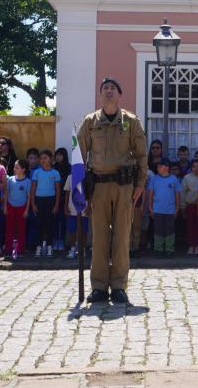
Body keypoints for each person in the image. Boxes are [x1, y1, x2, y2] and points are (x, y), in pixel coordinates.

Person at [77, 77, 148, 304]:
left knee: (121, 237)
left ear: (119, 95)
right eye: (105, 88)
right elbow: (79, 155)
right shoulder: (90, 122)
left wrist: (140, 184)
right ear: (100, 95)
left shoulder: (131, 121)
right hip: (97, 186)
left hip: (124, 186)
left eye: (113, 88)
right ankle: (99, 287)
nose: (109, 91)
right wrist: (78, 188)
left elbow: (141, 154)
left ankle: (119, 286)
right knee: (99, 236)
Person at [31, 150, 62, 257]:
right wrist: (33, 204)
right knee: (39, 224)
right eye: (41, 158)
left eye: (45, 158)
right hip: (39, 200)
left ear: (51, 159)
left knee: (50, 224)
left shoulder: (55, 173)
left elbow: (58, 190)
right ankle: (38, 247)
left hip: (51, 200)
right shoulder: (37, 172)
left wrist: (56, 205)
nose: (42, 160)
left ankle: (49, 247)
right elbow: (33, 189)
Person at [147, 158, 180, 255]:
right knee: (158, 230)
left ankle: (169, 248)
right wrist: (150, 207)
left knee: (170, 230)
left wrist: (177, 208)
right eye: (158, 166)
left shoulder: (174, 179)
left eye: (160, 166)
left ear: (166, 167)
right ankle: (158, 249)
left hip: (170, 210)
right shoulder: (154, 178)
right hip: (157, 210)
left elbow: (177, 194)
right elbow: (150, 194)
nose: (158, 168)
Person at [3, 159, 32, 257]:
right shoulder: (10, 180)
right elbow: (6, 193)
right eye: (14, 167)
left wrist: (27, 210)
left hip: (22, 207)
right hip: (10, 206)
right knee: (9, 228)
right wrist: (5, 207)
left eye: (17, 167)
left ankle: (20, 249)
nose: (14, 169)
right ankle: (8, 249)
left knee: (21, 229)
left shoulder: (28, 181)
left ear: (23, 169)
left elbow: (29, 197)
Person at [180, 159, 198, 255]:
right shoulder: (187, 178)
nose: (196, 168)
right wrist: (182, 206)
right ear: (191, 167)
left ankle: (197, 246)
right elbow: (183, 192)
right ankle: (191, 245)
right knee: (190, 226)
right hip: (190, 205)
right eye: (194, 166)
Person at [53, 148, 72, 252]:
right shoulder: (53, 167)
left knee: (63, 220)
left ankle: (62, 241)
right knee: (54, 220)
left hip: (65, 197)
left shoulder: (69, 168)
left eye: (60, 155)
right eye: (57, 155)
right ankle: (55, 240)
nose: (58, 157)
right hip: (54, 197)